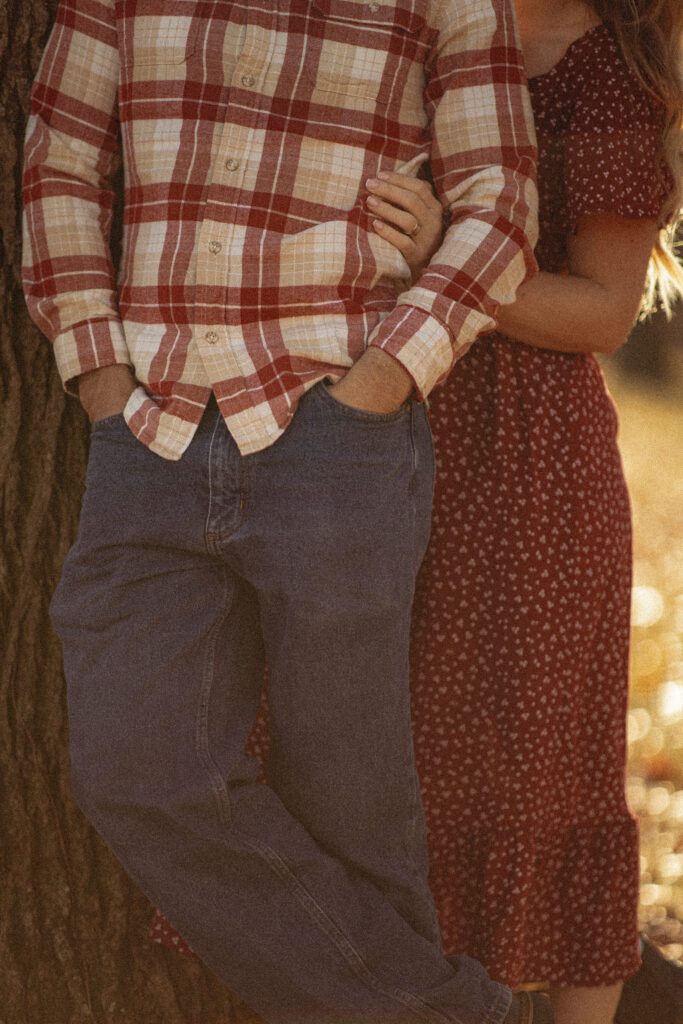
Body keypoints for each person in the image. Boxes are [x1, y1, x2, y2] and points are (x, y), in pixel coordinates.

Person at [21, 1, 548, 1022]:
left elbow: (498, 201)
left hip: (334, 427)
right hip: (149, 427)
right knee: (136, 770)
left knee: (352, 809)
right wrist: (95, 374)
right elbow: (59, 161)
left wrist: (388, 375)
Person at [359, 1, 683, 1023]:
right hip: (372, 424)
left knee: (546, 778)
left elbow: (598, 308)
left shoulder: (610, 69)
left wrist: (446, 267)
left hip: (527, 454)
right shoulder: (405, 25)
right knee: (384, 764)